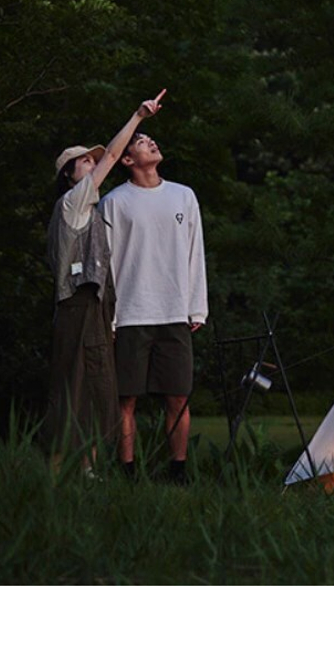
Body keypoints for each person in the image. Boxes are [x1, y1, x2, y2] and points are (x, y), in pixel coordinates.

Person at [46, 91, 165, 472]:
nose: (94, 164)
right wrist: (138, 117)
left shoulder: (88, 209)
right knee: (78, 390)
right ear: (71, 175)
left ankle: (89, 472)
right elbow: (114, 155)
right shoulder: (72, 203)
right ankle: (74, 471)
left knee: (96, 390)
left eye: (92, 160)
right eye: (85, 162)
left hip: (92, 309)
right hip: (77, 308)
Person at [100, 119, 208, 483]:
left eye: (150, 138)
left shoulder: (183, 195)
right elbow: (108, 263)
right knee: (125, 399)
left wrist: (197, 306)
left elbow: (196, 252)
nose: (151, 142)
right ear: (128, 160)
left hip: (174, 311)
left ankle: (178, 471)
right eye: (142, 141)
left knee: (178, 397)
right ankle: (127, 473)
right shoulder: (114, 202)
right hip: (130, 313)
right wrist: (109, 318)